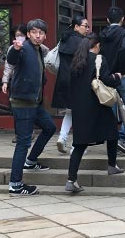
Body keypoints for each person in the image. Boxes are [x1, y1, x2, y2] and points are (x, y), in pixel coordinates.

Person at [64, 33, 125, 193]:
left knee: (79, 144)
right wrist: (117, 77)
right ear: (97, 45)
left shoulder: (76, 62)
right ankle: (112, 165)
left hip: (80, 107)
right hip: (97, 105)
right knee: (112, 132)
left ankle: (71, 179)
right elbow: (105, 79)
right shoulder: (99, 59)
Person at [4, 18, 55, 195]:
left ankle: (31, 160)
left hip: (35, 102)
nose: (37, 35)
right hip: (23, 102)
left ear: (45, 35)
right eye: (34, 32)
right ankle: (15, 184)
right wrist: (16, 49)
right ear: (28, 34)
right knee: (23, 142)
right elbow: (12, 59)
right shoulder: (22, 48)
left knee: (50, 127)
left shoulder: (40, 50)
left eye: (41, 33)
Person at [100, 6, 125, 156]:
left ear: (107, 20)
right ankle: (121, 137)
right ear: (122, 19)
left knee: (111, 108)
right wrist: (122, 70)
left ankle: (111, 138)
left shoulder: (101, 33)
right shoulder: (124, 32)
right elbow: (123, 50)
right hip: (121, 75)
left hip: (106, 75)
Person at [54, 15, 90, 154]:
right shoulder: (82, 42)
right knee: (81, 114)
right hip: (78, 82)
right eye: (85, 26)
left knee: (70, 112)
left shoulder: (64, 39)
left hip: (63, 80)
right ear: (76, 26)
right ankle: (76, 145)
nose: (87, 29)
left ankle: (62, 138)